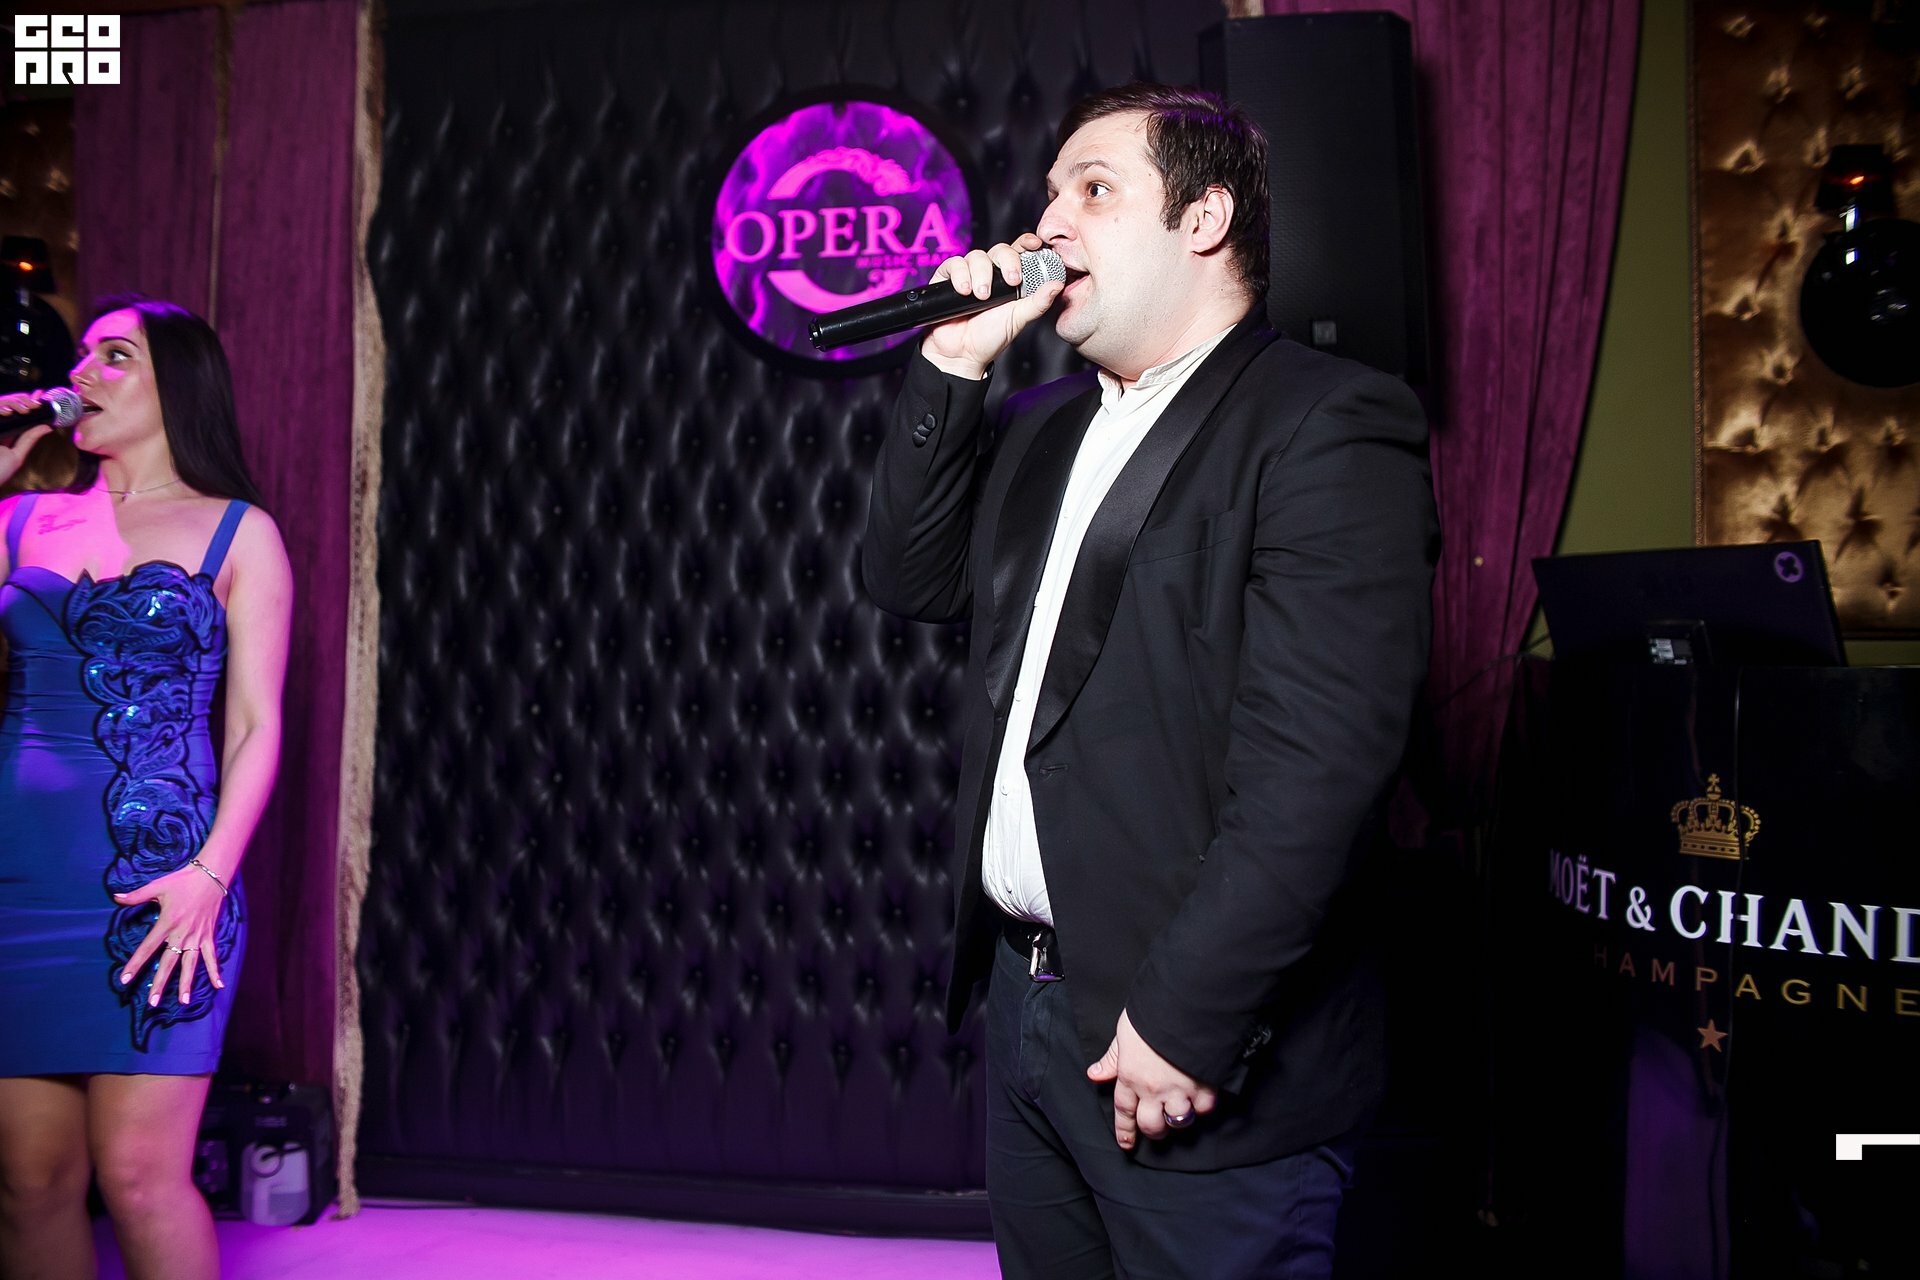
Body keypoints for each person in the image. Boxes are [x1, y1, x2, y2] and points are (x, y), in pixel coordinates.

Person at [861, 84, 1439, 1277]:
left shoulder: (1327, 422)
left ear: (1204, 218)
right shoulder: (1037, 427)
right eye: (1049, 193)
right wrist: (954, 360)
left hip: (1192, 1038)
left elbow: (1318, 774)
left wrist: (1186, 1018)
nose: (1048, 221)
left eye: (1094, 188)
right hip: (1026, 1009)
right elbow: (907, 577)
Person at [0, 296, 293, 1280]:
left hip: (163, 881)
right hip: (15, 884)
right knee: (30, 1181)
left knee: (138, 1176)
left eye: (114, 355)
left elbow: (255, 727)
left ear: (178, 385)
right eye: (82, 354)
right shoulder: (19, 517)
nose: (81, 371)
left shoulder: (238, 533)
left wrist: (211, 875)